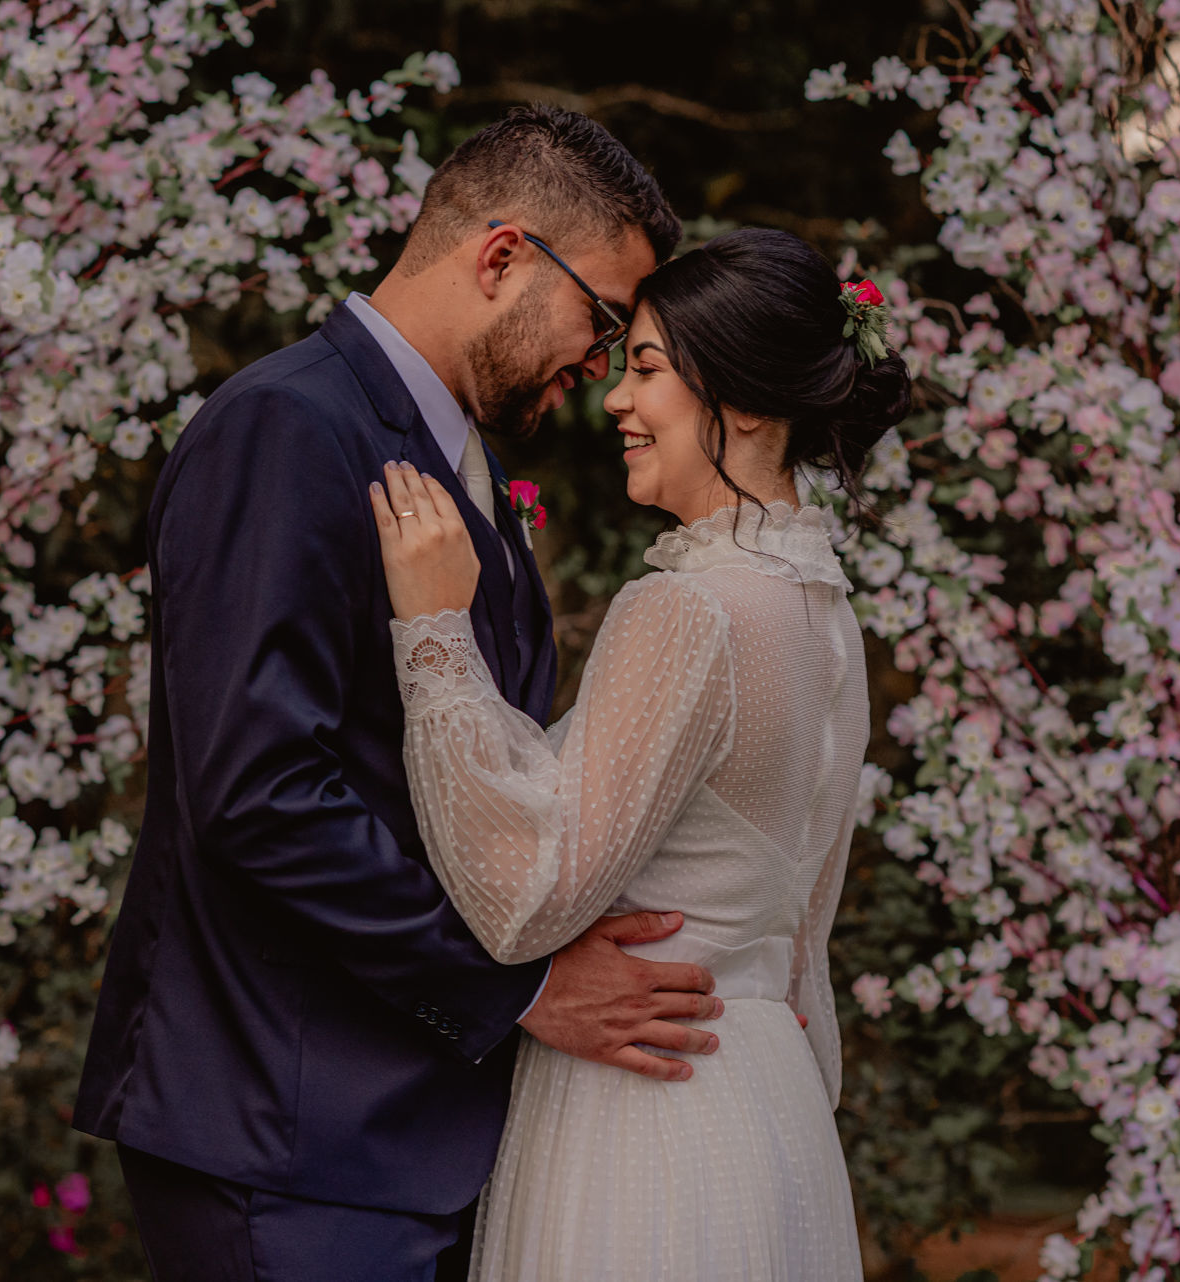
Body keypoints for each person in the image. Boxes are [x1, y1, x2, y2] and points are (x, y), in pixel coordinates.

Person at [73, 106, 723, 1282]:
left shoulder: (454, 458)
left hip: (405, 1135)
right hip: (290, 1130)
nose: (600, 361)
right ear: (502, 256)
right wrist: (516, 986)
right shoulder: (285, 428)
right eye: (603, 317)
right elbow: (259, 793)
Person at [368, 228, 912, 1280]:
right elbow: (801, 927)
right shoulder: (822, 612)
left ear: (746, 405)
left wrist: (434, 633)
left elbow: (527, 893)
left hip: (650, 1107)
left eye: (649, 368)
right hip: (765, 1101)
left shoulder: (690, 610)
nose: (616, 397)